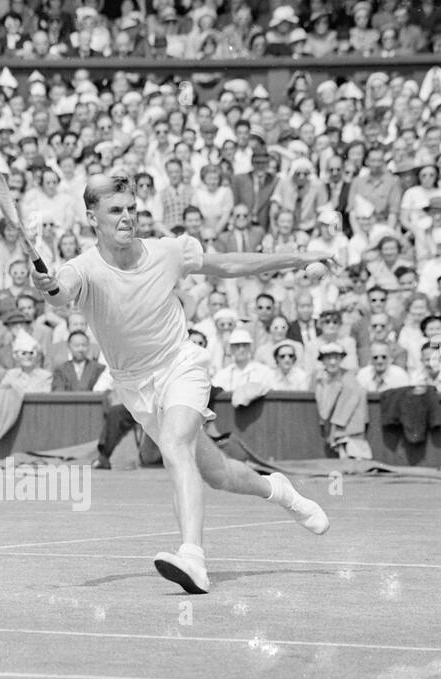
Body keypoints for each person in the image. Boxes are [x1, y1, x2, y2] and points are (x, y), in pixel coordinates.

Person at [29, 171, 331, 595]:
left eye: (132, 208)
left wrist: (296, 257)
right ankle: (281, 492)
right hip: (136, 386)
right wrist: (44, 284)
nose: (127, 217)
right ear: (92, 217)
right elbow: (60, 294)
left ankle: (193, 557)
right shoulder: (83, 267)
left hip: (181, 364)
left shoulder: (168, 251)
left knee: (174, 445)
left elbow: (227, 264)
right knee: (218, 473)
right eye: (116, 210)